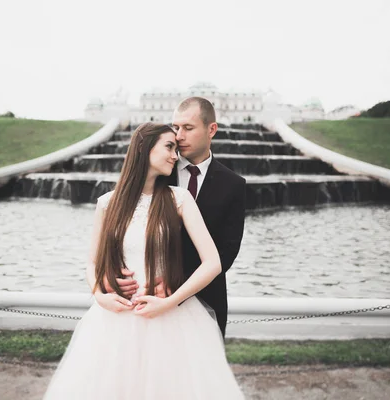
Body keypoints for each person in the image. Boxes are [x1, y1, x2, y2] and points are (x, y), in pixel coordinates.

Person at [43, 123, 244, 399]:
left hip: (171, 317)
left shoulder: (179, 199)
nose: (176, 156)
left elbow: (212, 263)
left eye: (176, 148)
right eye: (169, 147)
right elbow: (92, 263)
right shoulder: (107, 203)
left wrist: (169, 302)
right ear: (143, 148)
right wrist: (100, 296)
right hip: (115, 318)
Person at [116, 97, 247, 337]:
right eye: (176, 127)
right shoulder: (158, 171)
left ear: (212, 130)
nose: (178, 135)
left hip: (206, 300)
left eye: (188, 128)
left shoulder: (234, 185)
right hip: (145, 294)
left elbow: (226, 252)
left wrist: (175, 284)